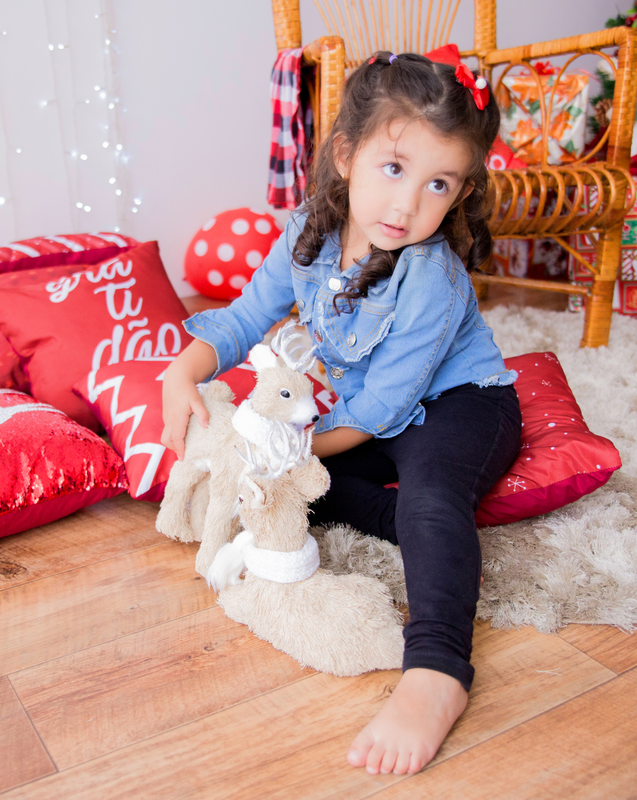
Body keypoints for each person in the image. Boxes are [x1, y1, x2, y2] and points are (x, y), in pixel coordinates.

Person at [160, 51, 521, 775]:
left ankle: (437, 673)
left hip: (462, 405)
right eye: (394, 169)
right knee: (297, 498)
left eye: (438, 184)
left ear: (459, 192)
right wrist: (185, 371)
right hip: (370, 411)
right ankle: (408, 530)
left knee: (428, 493)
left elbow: (383, 407)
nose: (407, 205)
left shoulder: (433, 279)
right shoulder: (308, 232)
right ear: (347, 155)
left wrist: (282, 446)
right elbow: (242, 317)